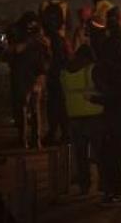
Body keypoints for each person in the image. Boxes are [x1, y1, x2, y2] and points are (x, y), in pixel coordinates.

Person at [93, 7, 121, 207]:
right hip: (116, 107)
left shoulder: (107, 45)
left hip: (109, 107)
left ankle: (110, 191)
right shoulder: (120, 45)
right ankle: (114, 191)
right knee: (113, 153)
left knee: (108, 152)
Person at [61, 45, 104, 196]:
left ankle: (84, 185)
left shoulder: (65, 72)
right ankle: (102, 183)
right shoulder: (91, 69)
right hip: (93, 115)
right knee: (99, 151)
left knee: (80, 154)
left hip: (73, 116)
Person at [5, 13, 49, 149]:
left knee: (31, 108)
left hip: (32, 75)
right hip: (24, 75)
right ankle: (26, 140)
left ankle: (33, 140)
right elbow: (14, 50)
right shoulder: (24, 36)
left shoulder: (37, 37)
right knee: (25, 108)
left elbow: (45, 54)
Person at [42, 10, 72, 146]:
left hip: (56, 77)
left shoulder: (52, 40)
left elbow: (54, 59)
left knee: (55, 107)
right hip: (61, 76)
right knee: (60, 106)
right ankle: (63, 133)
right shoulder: (61, 39)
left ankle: (59, 134)